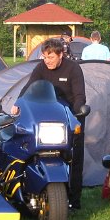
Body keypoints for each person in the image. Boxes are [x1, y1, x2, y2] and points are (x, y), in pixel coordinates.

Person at [21, 37, 87, 206]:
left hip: (70, 117)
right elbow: (29, 87)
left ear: (61, 55)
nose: (47, 61)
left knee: (74, 157)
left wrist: (76, 113)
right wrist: (18, 103)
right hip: (46, 118)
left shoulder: (73, 69)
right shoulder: (41, 67)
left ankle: (74, 199)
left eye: (50, 57)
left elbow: (79, 95)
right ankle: (34, 190)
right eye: (44, 57)